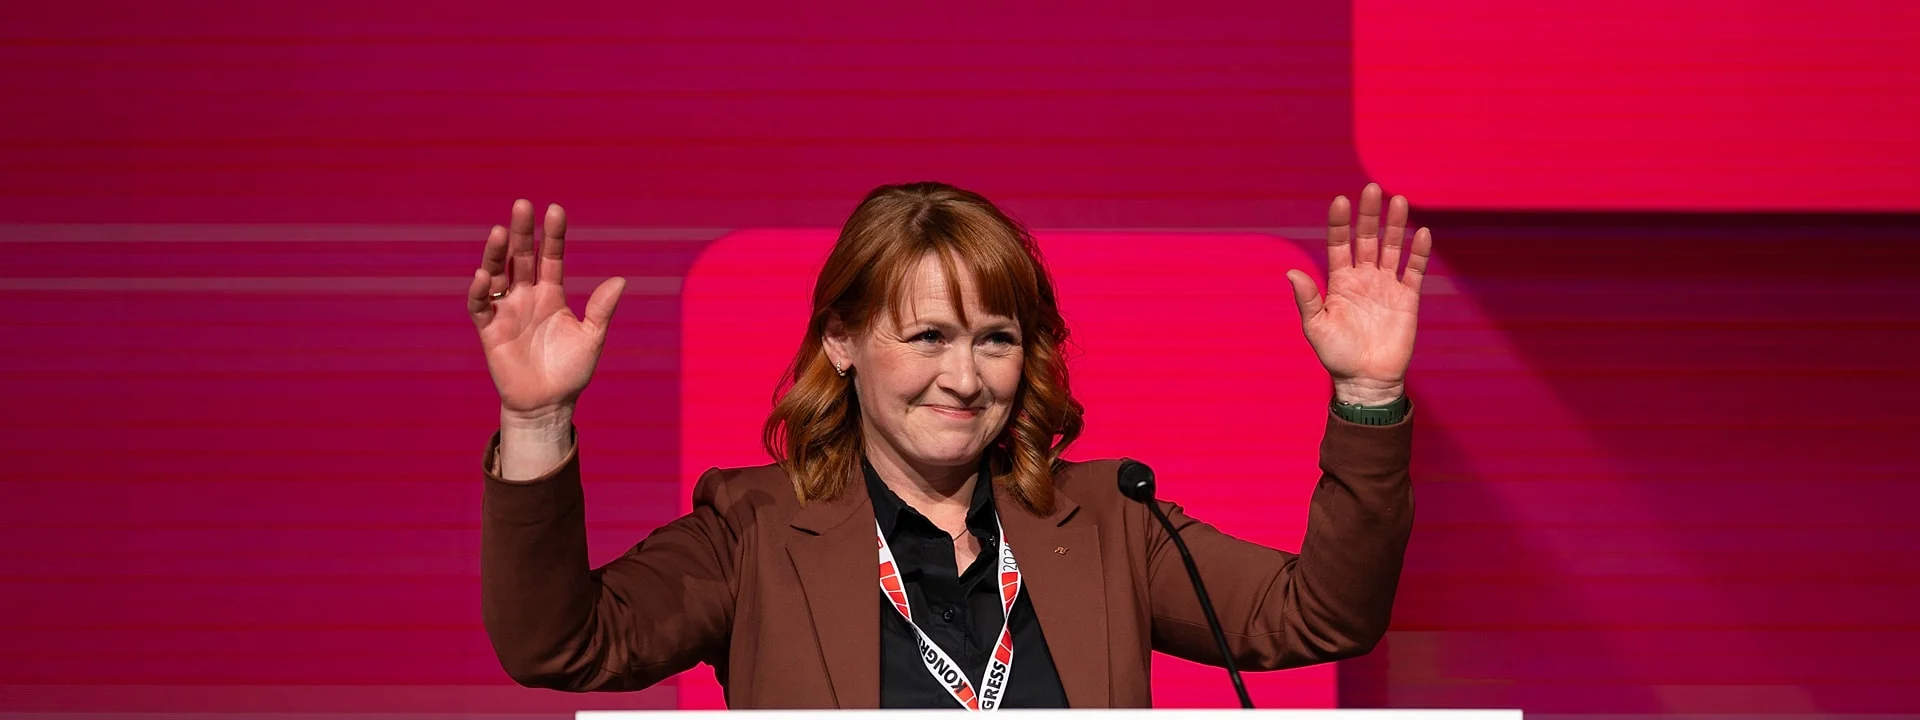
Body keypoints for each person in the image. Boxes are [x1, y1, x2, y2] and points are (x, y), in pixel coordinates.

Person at [468, 181, 1431, 709]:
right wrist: (537, 423)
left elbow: (1321, 616)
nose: (965, 379)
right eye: (927, 337)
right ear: (841, 342)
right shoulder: (753, 532)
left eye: (995, 339)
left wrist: (1368, 395)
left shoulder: (1110, 520)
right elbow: (564, 645)